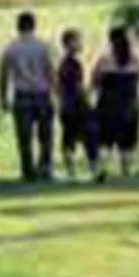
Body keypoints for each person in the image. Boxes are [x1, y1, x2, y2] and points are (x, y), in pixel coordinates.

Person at [0, 10, 57, 182]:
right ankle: (45, 167)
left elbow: (4, 75)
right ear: (34, 26)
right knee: (45, 135)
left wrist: (4, 96)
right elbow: (50, 71)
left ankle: (28, 170)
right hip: (42, 93)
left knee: (24, 136)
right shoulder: (43, 46)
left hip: (22, 94)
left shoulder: (11, 48)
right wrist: (56, 92)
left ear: (18, 27)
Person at [93, 25, 139, 179]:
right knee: (127, 140)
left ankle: (102, 169)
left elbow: (95, 81)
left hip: (108, 105)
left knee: (105, 140)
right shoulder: (134, 60)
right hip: (129, 104)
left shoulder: (104, 60)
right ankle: (126, 170)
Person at [57, 28, 98, 182]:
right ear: (68, 43)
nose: (80, 44)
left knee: (69, 138)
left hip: (67, 105)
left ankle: (71, 171)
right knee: (88, 137)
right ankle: (92, 169)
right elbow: (77, 86)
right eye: (77, 41)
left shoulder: (64, 64)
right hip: (77, 105)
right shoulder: (73, 64)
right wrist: (87, 100)